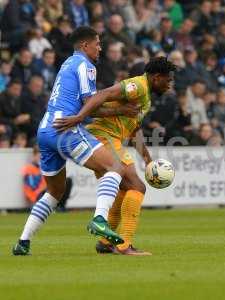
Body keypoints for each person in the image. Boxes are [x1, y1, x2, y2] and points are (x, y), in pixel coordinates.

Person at [12, 26, 134, 256]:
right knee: (115, 167)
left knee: (55, 192)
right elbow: (91, 103)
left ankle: (23, 242)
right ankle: (99, 219)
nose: (100, 48)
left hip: (45, 130)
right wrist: (122, 110)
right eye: (97, 44)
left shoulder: (68, 63)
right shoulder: (86, 66)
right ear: (85, 45)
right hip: (65, 128)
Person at [59, 57, 176, 255]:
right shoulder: (137, 86)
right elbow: (103, 94)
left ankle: (106, 242)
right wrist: (80, 117)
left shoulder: (145, 96)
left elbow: (134, 130)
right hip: (102, 137)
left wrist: (147, 159)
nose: (170, 84)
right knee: (137, 187)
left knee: (124, 190)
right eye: (168, 80)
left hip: (109, 139)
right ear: (157, 78)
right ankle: (124, 245)